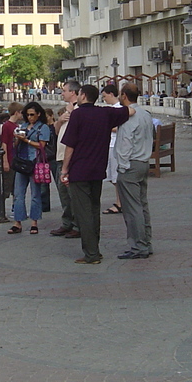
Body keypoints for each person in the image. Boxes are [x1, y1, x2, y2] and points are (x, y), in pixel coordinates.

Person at [60, 84, 131, 264]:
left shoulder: (77, 115)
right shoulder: (105, 113)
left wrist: (64, 169)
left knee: (83, 212)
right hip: (98, 168)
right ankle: (95, 249)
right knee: (93, 210)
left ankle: (91, 253)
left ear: (82, 96)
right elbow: (130, 111)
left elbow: (70, 146)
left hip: (80, 169)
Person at [114, 83, 155, 259]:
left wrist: (122, 166)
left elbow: (125, 143)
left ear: (124, 95)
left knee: (132, 208)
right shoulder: (146, 114)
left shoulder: (129, 117)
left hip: (130, 164)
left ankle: (139, 245)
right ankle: (146, 242)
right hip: (143, 161)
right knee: (142, 204)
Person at [8, 101, 50, 235]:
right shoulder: (24, 126)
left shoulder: (43, 128)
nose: (30, 117)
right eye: (28, 115)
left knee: (35, 194)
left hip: (35, 162)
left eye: (32, 115)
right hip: (22, 162)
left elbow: (42, 145)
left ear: (38, 114)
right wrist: (18, 138)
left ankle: (34, 222)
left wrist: (26, 140)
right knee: (18, 194)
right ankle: (17, 222)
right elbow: (15, 145)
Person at [49, 81, 81, 238]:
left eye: (64, 91)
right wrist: (60, 120)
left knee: (72, 193)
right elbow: (55, 131)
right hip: (60, 156)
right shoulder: (65, 112)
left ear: (73, 93)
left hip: (70, 159)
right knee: (63, 193)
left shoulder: (79, 110)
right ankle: (67, 222)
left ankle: (77, 224)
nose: (62, 93)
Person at [101, 83, 123, 215]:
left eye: (105, 96)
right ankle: (120, 201)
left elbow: (121, 127)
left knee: (116, 175)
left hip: (115, 144)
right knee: (111, 175)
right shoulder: (112, 109)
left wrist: (105, 127)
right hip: (110, 144)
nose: (104, 99)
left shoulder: (118, 109)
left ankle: (121, 202)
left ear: (111, 94)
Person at [0, 102, 24, 204]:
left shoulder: (16, 126)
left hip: (15, 158)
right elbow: (4, 143)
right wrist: (5, 161)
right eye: (21, 113)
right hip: (9, 158)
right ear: (17, 112)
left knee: (16, 186)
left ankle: (16, 209)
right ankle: (1, 209)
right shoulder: (7, 126)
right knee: (7, 186)